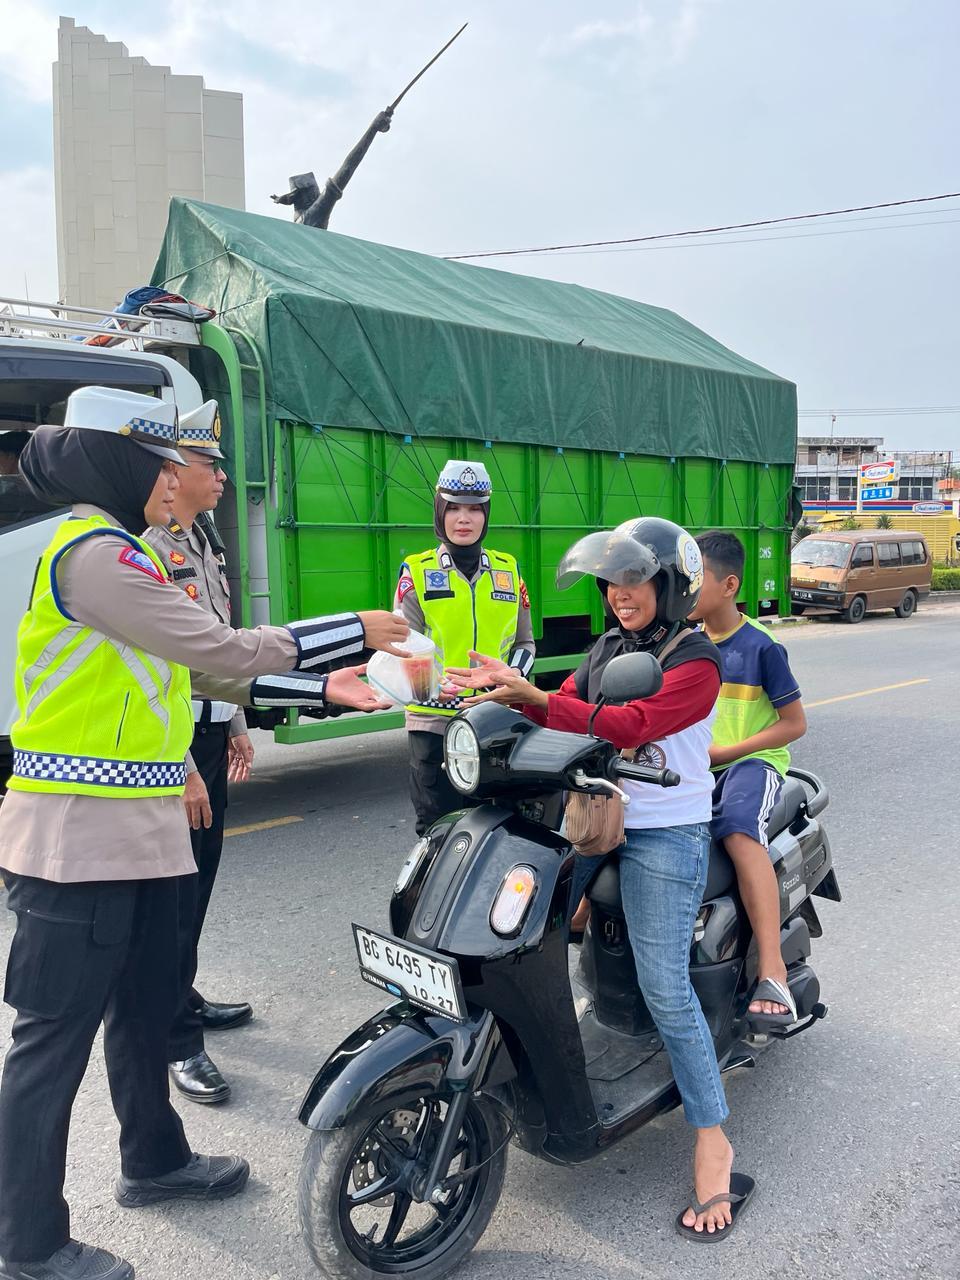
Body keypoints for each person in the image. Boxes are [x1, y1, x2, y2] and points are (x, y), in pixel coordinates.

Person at [0, 385, 403, 1280]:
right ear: (123, 461)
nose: (176, 474)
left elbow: (176, 687)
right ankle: (25, 1242)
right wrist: (348, 636)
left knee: (149, 1006)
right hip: (76, 837)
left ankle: (154, 1160)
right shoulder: (93, 556)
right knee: (52, 1040)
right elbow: (219, 650)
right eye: (163, 460)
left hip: (143, 826)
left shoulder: (134, 553)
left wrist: (306, 699)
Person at [449, 518, 755, 1240]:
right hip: (598, 815)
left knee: (663, 985)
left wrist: (535, 698)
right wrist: (502, 707)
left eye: (634, 581)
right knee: (511, 929)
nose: (620, 596)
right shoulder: (611, 645)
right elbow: (569, 699)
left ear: (671, 586)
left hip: (667, 833)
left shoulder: (698, 659)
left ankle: (714, 1140)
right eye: (612, 583)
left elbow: (630, 721)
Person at [143, 401, 252, 1105]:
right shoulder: (148, 549)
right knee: (174, 896)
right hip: (171, 749)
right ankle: (175, 1042)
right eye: (211, 465)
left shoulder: (204, 541)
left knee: (199, 885)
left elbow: (220, 640)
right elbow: (151, 671)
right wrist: (179, 765)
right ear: (174, 471)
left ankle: (181, 995)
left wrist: (237, 721)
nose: (221, 477)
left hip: (211, 733)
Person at [689, 531, 807, 1024]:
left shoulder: (761, 646)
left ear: (729, 585)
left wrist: (728, 751)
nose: (685, 588)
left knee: (738, 833)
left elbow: (794, 724)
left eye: (696, 580)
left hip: (752, 764)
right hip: (697, 765)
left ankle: (773, 969)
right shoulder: (685, 644)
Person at [394, 459, 535, 835]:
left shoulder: (509, 570)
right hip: (433, 723)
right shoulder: (417, 571)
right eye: (453, 507)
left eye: (474, 508)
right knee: (437, 830)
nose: (464, 518)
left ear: (486, 514)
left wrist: (512, 676)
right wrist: (433, 689)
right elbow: (402, 645)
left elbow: (525, 643)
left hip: (495, 717)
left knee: (495, 829)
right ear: (440, 511)